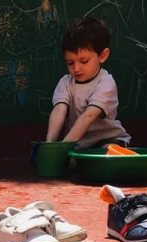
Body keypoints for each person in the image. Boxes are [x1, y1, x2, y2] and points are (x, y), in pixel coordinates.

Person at [45, 17, 130, 149]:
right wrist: (49, 144)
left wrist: (63, 147)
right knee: (70, 158)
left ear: (103, 56)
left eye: (84, 61)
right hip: (77, 143)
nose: (76, 69)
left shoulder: (106, 82)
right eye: (70, 63)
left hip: (108, 139)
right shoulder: (65, 82)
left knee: (107, 152)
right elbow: (58, 111)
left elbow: (89, 116)